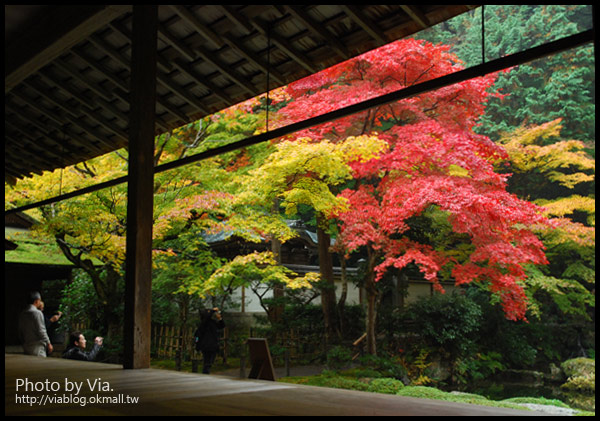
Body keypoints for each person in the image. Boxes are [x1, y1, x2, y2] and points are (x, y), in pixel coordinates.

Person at [18, 292, 52, 357]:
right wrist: (48, 343)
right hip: (37, 346)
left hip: (26, 345)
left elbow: (20, 331)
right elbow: (41, 330)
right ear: (37, 301)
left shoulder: (22, 314)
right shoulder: (37, 313)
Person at [194, 308, 225, 374]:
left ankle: (206, 371)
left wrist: (220, 319)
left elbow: (221, 326)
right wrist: (213, 310)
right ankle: (205, 372)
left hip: (213, 345)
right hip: (206, 346)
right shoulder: (203, 323)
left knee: (210, 361)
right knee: (207, 361)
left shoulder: (212, 322)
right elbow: (196, 337)